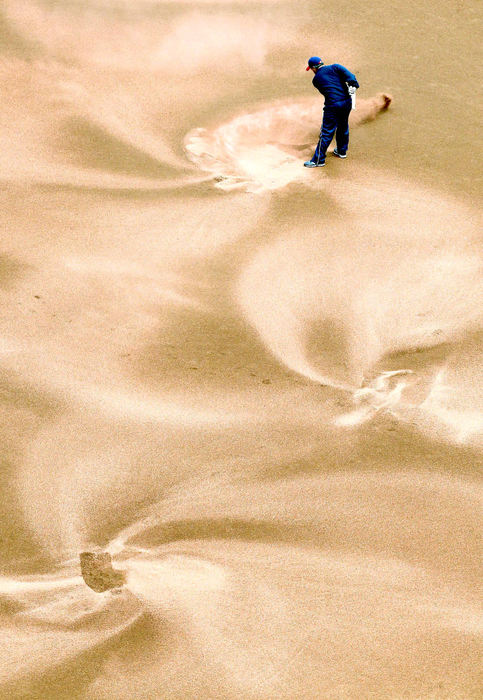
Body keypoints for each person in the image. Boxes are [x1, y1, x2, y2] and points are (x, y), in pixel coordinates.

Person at [304, 56, 359, 168]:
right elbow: (351, 78)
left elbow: (329, 91)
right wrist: (353, 87)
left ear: (314, 68)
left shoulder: (316, 80)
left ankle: (318, 160)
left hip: (333, 105)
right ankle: (341, 151)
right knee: (343, 125)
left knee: (327, 131)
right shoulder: (336, 67)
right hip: (347, 102)